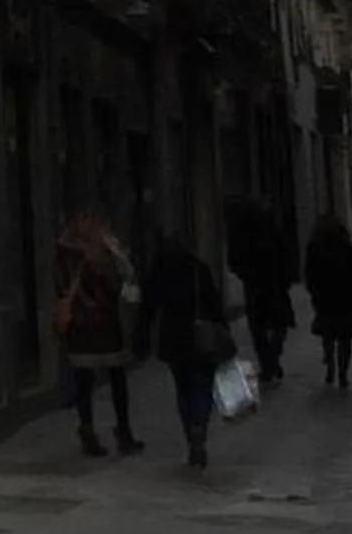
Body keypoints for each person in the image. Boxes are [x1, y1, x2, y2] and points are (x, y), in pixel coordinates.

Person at [54, 207, 143, 457]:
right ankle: (102, 431)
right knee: (99, 379)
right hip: (92, 322)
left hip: (98, 323)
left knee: (106, 379)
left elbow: (127, 276)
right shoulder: (75, 253)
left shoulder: (83, 250)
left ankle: (104, 430)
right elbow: (122, 277)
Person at [140, 228, 224, 471]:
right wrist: (222, 331)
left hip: (173, 338)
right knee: (202, 386)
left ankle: (191, 433)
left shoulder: (159, 273)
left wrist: (143, 337)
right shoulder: (199, 269)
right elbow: (214, 303)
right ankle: (199, 425)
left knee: (183, 388)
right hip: (201, 338)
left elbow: (148, 308)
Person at [226, 195, 295, 385]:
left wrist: (246, 274)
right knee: (279, 324)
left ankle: (268, 364)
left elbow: (234, 261)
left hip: (256, 287)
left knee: (259, 328)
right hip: (274, 285)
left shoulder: (243, 235)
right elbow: (287, 255)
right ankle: (271, 360)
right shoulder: (272, 231)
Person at [304, 213, 352, 391]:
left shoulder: (314, 246)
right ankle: (343, 374)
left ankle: (330, 365)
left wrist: (313, 291)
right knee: (345, 339)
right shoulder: (344, 245)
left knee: (328, 334)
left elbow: (309, 272)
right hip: (345, 297)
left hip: (325, 297)